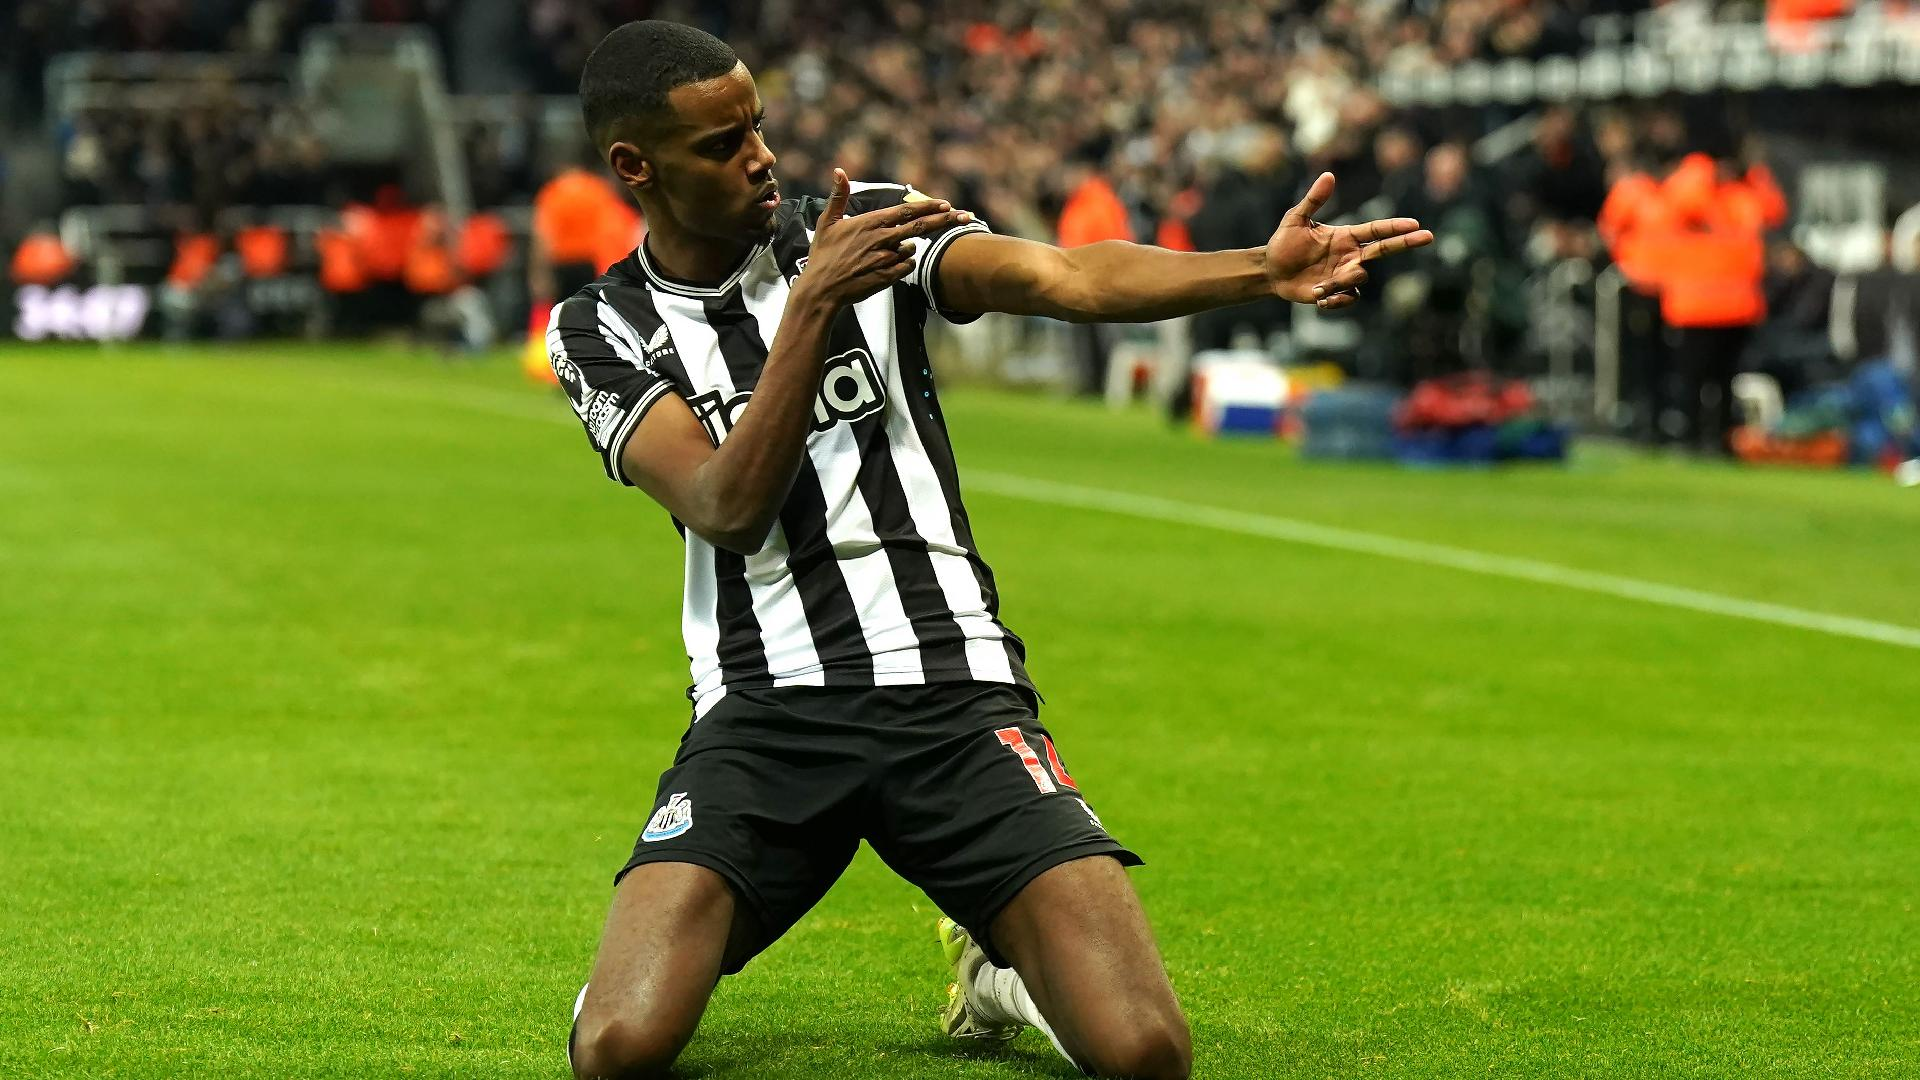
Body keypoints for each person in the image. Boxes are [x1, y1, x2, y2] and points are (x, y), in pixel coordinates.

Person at [551, 21, 1431, 1080]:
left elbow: (1065, 276)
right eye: (721, 143)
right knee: (619, 1048)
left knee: (1146, 1053)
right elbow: (726, 506)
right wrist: (817, 307)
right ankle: (647, 952)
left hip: (956, 698)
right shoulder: (600, 327)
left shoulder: (864, 224)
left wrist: (1255, 271)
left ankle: (999, 972)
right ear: (634, 168)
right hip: (768, 715)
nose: (761, 157)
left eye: (760, 127)